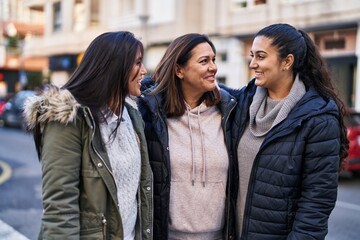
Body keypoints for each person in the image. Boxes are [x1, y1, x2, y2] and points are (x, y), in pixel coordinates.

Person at [222, 23, 349, 239]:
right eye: (252, 56)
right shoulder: (242, 102)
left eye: (261, 56)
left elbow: (316, 203)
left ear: (287, 61)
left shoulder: (317, 118)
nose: (253, 64)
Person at [23, 31, 153, 239]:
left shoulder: (132, 116)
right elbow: (60, 209)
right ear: (114, 67)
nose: (144, 70)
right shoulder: (69, 120)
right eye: (137, 63)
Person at [138, 33, 237, 240]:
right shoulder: (150, 114)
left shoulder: (229, 111)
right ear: (179, 70)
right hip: (166, 235)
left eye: (213, 60)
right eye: (204, 61)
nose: (213, 67)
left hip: (219, 236)